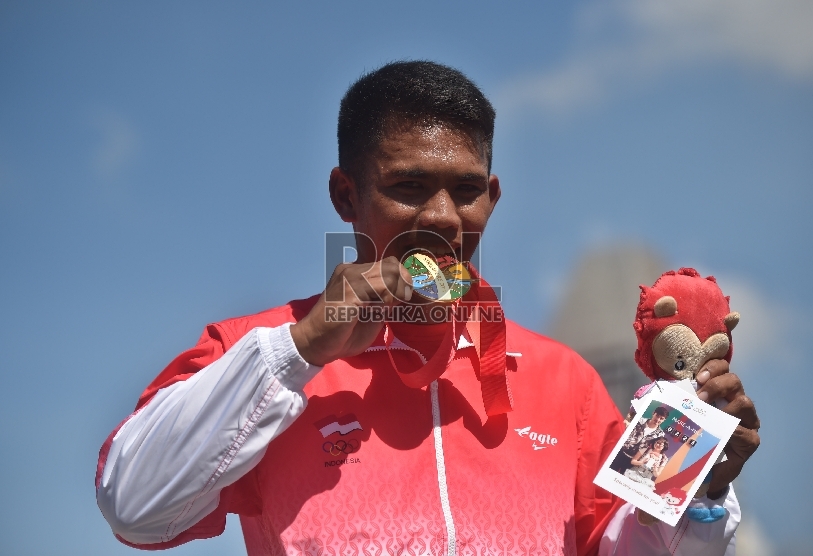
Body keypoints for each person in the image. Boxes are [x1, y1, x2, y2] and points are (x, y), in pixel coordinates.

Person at [95, 61, 761, 556]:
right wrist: (301, 349)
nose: (443, 217)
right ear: (345, 196)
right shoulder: (267, 349)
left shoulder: (566, 377)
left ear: (492, 199)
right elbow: (132, 508)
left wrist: (699, 485)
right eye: (409, 186)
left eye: (466, 190)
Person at [610, 407, 669, 474]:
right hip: (620, 452)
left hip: (633, 461)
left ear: (664, 420)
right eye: (657, 416)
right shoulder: (638, 420)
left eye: (661, 418)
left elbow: (655, 449)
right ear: (653, 413)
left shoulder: (660, 434)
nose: (658, 419)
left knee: (619, 480)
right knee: (608, 474)